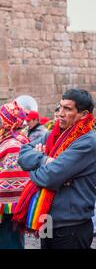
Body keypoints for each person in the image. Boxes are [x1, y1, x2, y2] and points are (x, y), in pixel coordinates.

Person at [13, 89, 96, 249]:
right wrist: (45, 160)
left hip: (70, 227)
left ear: (83, 114)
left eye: (67, 109)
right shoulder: (54, 134)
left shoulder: (87, 142)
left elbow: (48, 178)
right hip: (48, 220)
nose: (60, 113)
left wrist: (33, 169)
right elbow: (23, 153)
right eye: (59, 107)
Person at [0, 102, 29, 249]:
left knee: (9, 243)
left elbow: (11, 180)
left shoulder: (13, 145)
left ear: (6, 122)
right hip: (7, 210)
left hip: (8, 211)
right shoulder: (7, 141)